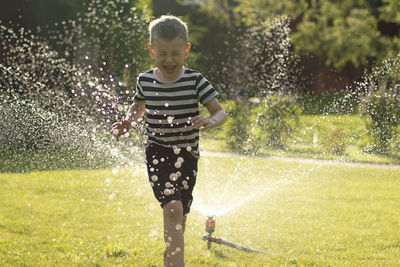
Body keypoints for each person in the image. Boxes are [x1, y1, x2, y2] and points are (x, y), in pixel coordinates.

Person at [111, 15, 227, 267]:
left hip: (187, 155)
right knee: (172, 207)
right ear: (152, 51)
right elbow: (138, 108)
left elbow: (220, 112)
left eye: (175, 53)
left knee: (180, 211)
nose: (169, 60)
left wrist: (211, 120)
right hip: (157, 151)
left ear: (186, 50)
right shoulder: (145, 80)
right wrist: (127, 122)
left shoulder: (195, 80)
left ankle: (170, 257)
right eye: (162, 53)